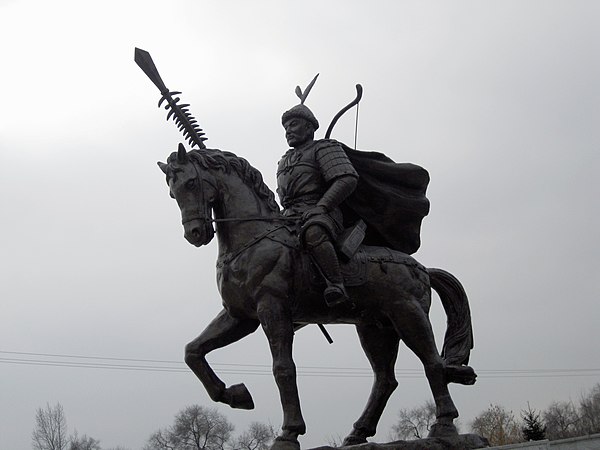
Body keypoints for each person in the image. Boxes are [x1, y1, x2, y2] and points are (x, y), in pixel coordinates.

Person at [277, 103, 358, 306]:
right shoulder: (284, 160)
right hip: (291, 216)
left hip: (323, 213)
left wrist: (321, 206)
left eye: (293, 124)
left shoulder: (324, 147)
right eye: (285, 127)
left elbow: (346, 178)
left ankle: (336, 284)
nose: (288, 131)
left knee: (313, 232)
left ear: (309, 127)